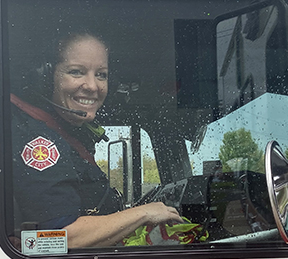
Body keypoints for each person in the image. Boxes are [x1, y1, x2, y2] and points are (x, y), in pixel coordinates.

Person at [11, 31, 182, 247]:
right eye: (76, 72)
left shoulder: (68, 137)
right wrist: (145, 213)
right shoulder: (36, 140)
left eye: (101, 75)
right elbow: (60, 238)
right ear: (48, 75)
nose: (92, 86)